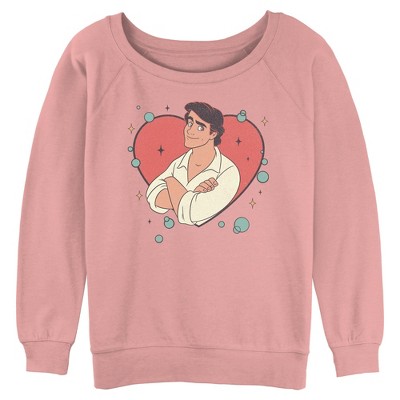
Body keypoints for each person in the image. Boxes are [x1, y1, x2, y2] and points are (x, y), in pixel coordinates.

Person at [146, 101, 240, 226]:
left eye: (200, 128)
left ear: (213, 134)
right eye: (190, 123)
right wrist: (192, 193)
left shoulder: (228, 171)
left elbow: (192, 212)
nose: (190, 131)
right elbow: (153, 196)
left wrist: (170, 181)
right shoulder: (179, 163)